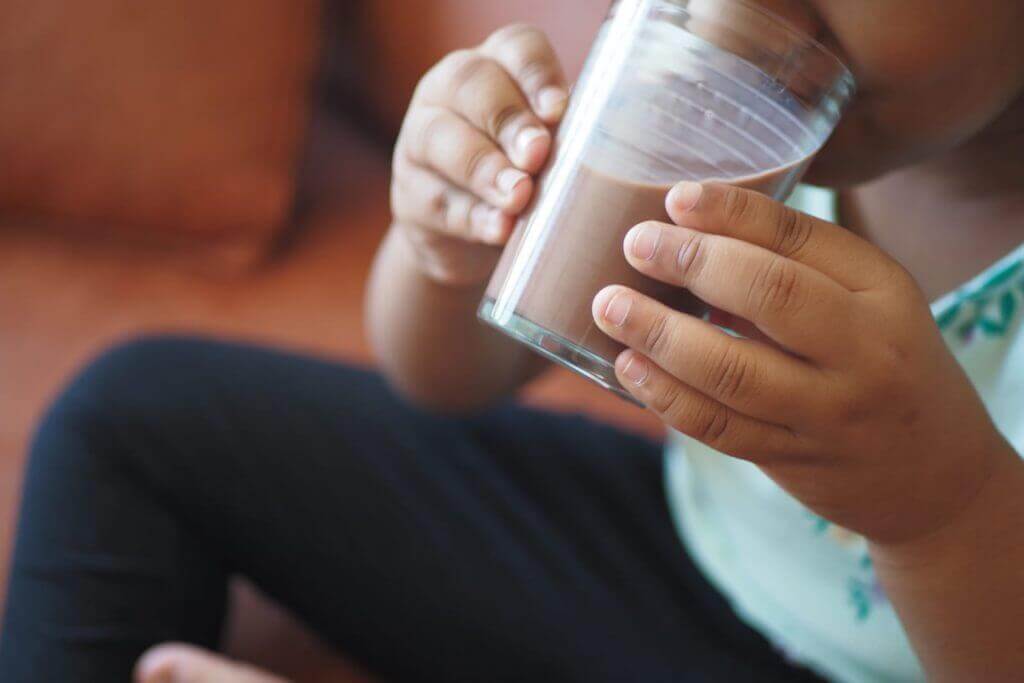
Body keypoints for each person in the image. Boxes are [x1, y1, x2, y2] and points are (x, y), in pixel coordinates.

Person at [4, 1, 1024, 680]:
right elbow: (448, 377)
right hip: (684, 559)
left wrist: (943, 508)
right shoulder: (769, 104)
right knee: (138, 413)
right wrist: (449, 247)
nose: (728, 13)